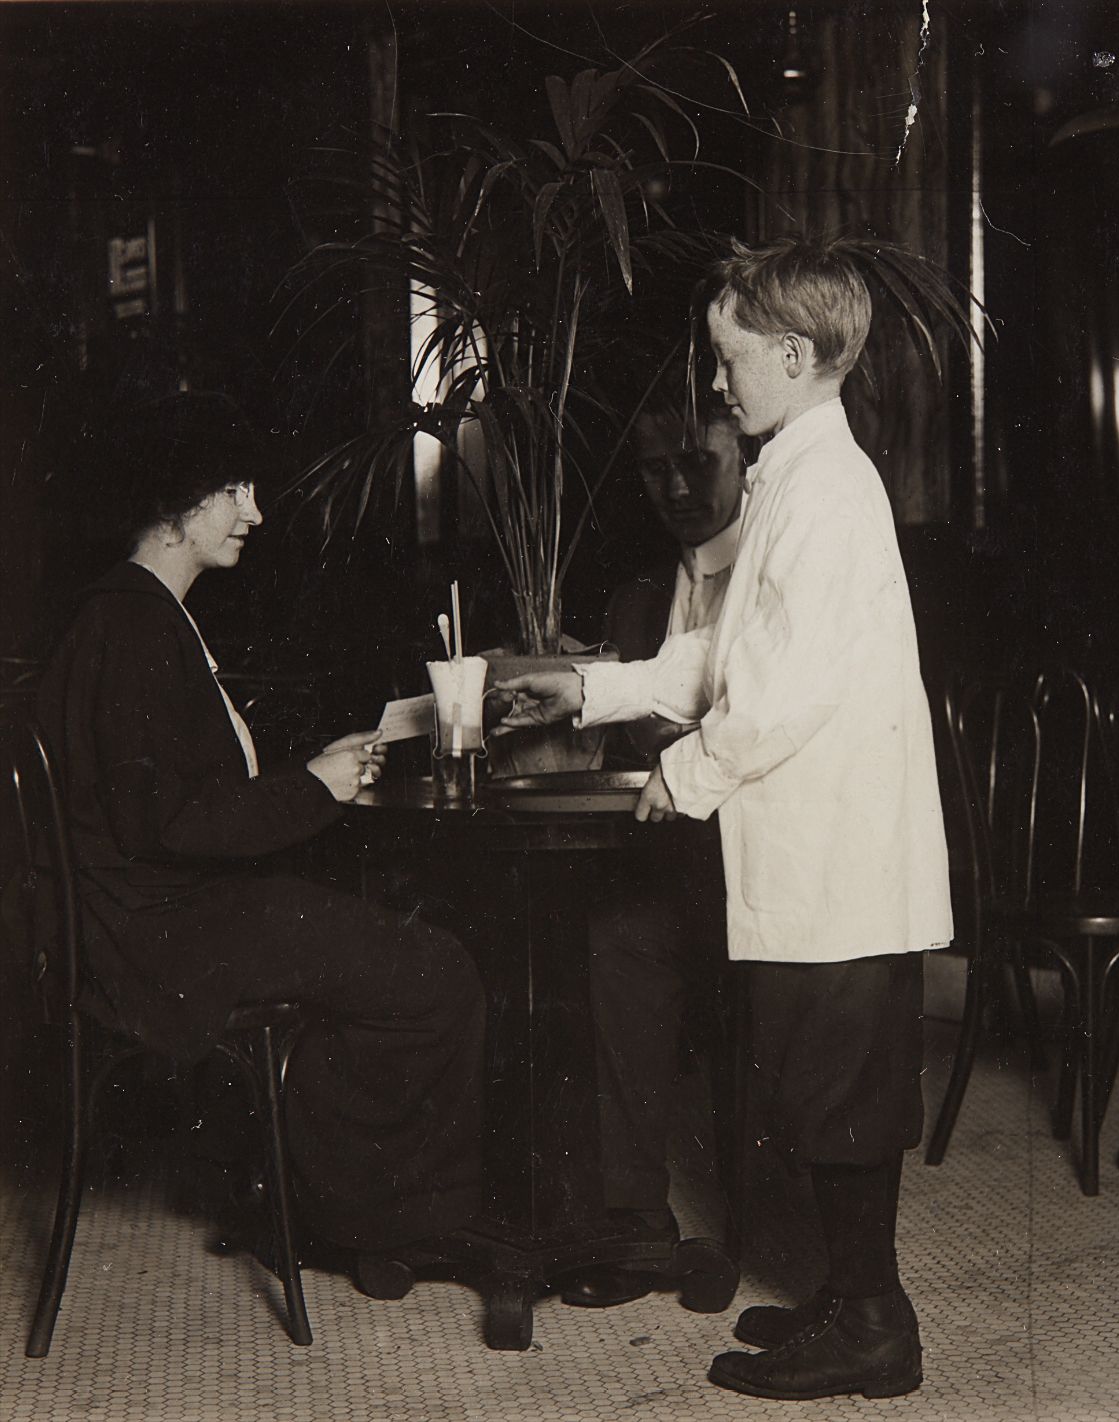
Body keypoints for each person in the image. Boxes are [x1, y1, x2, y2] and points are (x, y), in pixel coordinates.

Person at [501, 236, 953, 1401]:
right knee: (819, 1083)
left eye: (727, 358)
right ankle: (851, 1300)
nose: (714, 382)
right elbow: (725, 653)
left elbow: (781, 693)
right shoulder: (796, 475)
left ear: (795, 356)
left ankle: (874, 1325)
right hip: (816, 848)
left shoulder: (828, 494)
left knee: (842, 1095)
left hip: (838, 853)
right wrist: (596, 687)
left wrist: (683, 776)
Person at [33, 393, 490, 1262]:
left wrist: (311, 778)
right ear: (174, 501)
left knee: (389, 956)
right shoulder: (132, 625)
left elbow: (173, 798)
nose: (256, 510)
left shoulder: (134, 614)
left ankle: (306, 1196)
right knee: (439, 972)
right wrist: (313, 789)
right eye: (234, 489)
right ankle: (368, 1223)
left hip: (152, 920)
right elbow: (169, 820)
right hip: (163, 937)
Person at [558, 394, 744, 1309]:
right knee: (615, 937)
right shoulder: (639, 598)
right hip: (665, 853)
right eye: (652, 470)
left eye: (696, 463)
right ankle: (633, 1226)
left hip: (759, 856)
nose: (675, 487)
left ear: (742, 453)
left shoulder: (771, 569)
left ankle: (749, 1226)